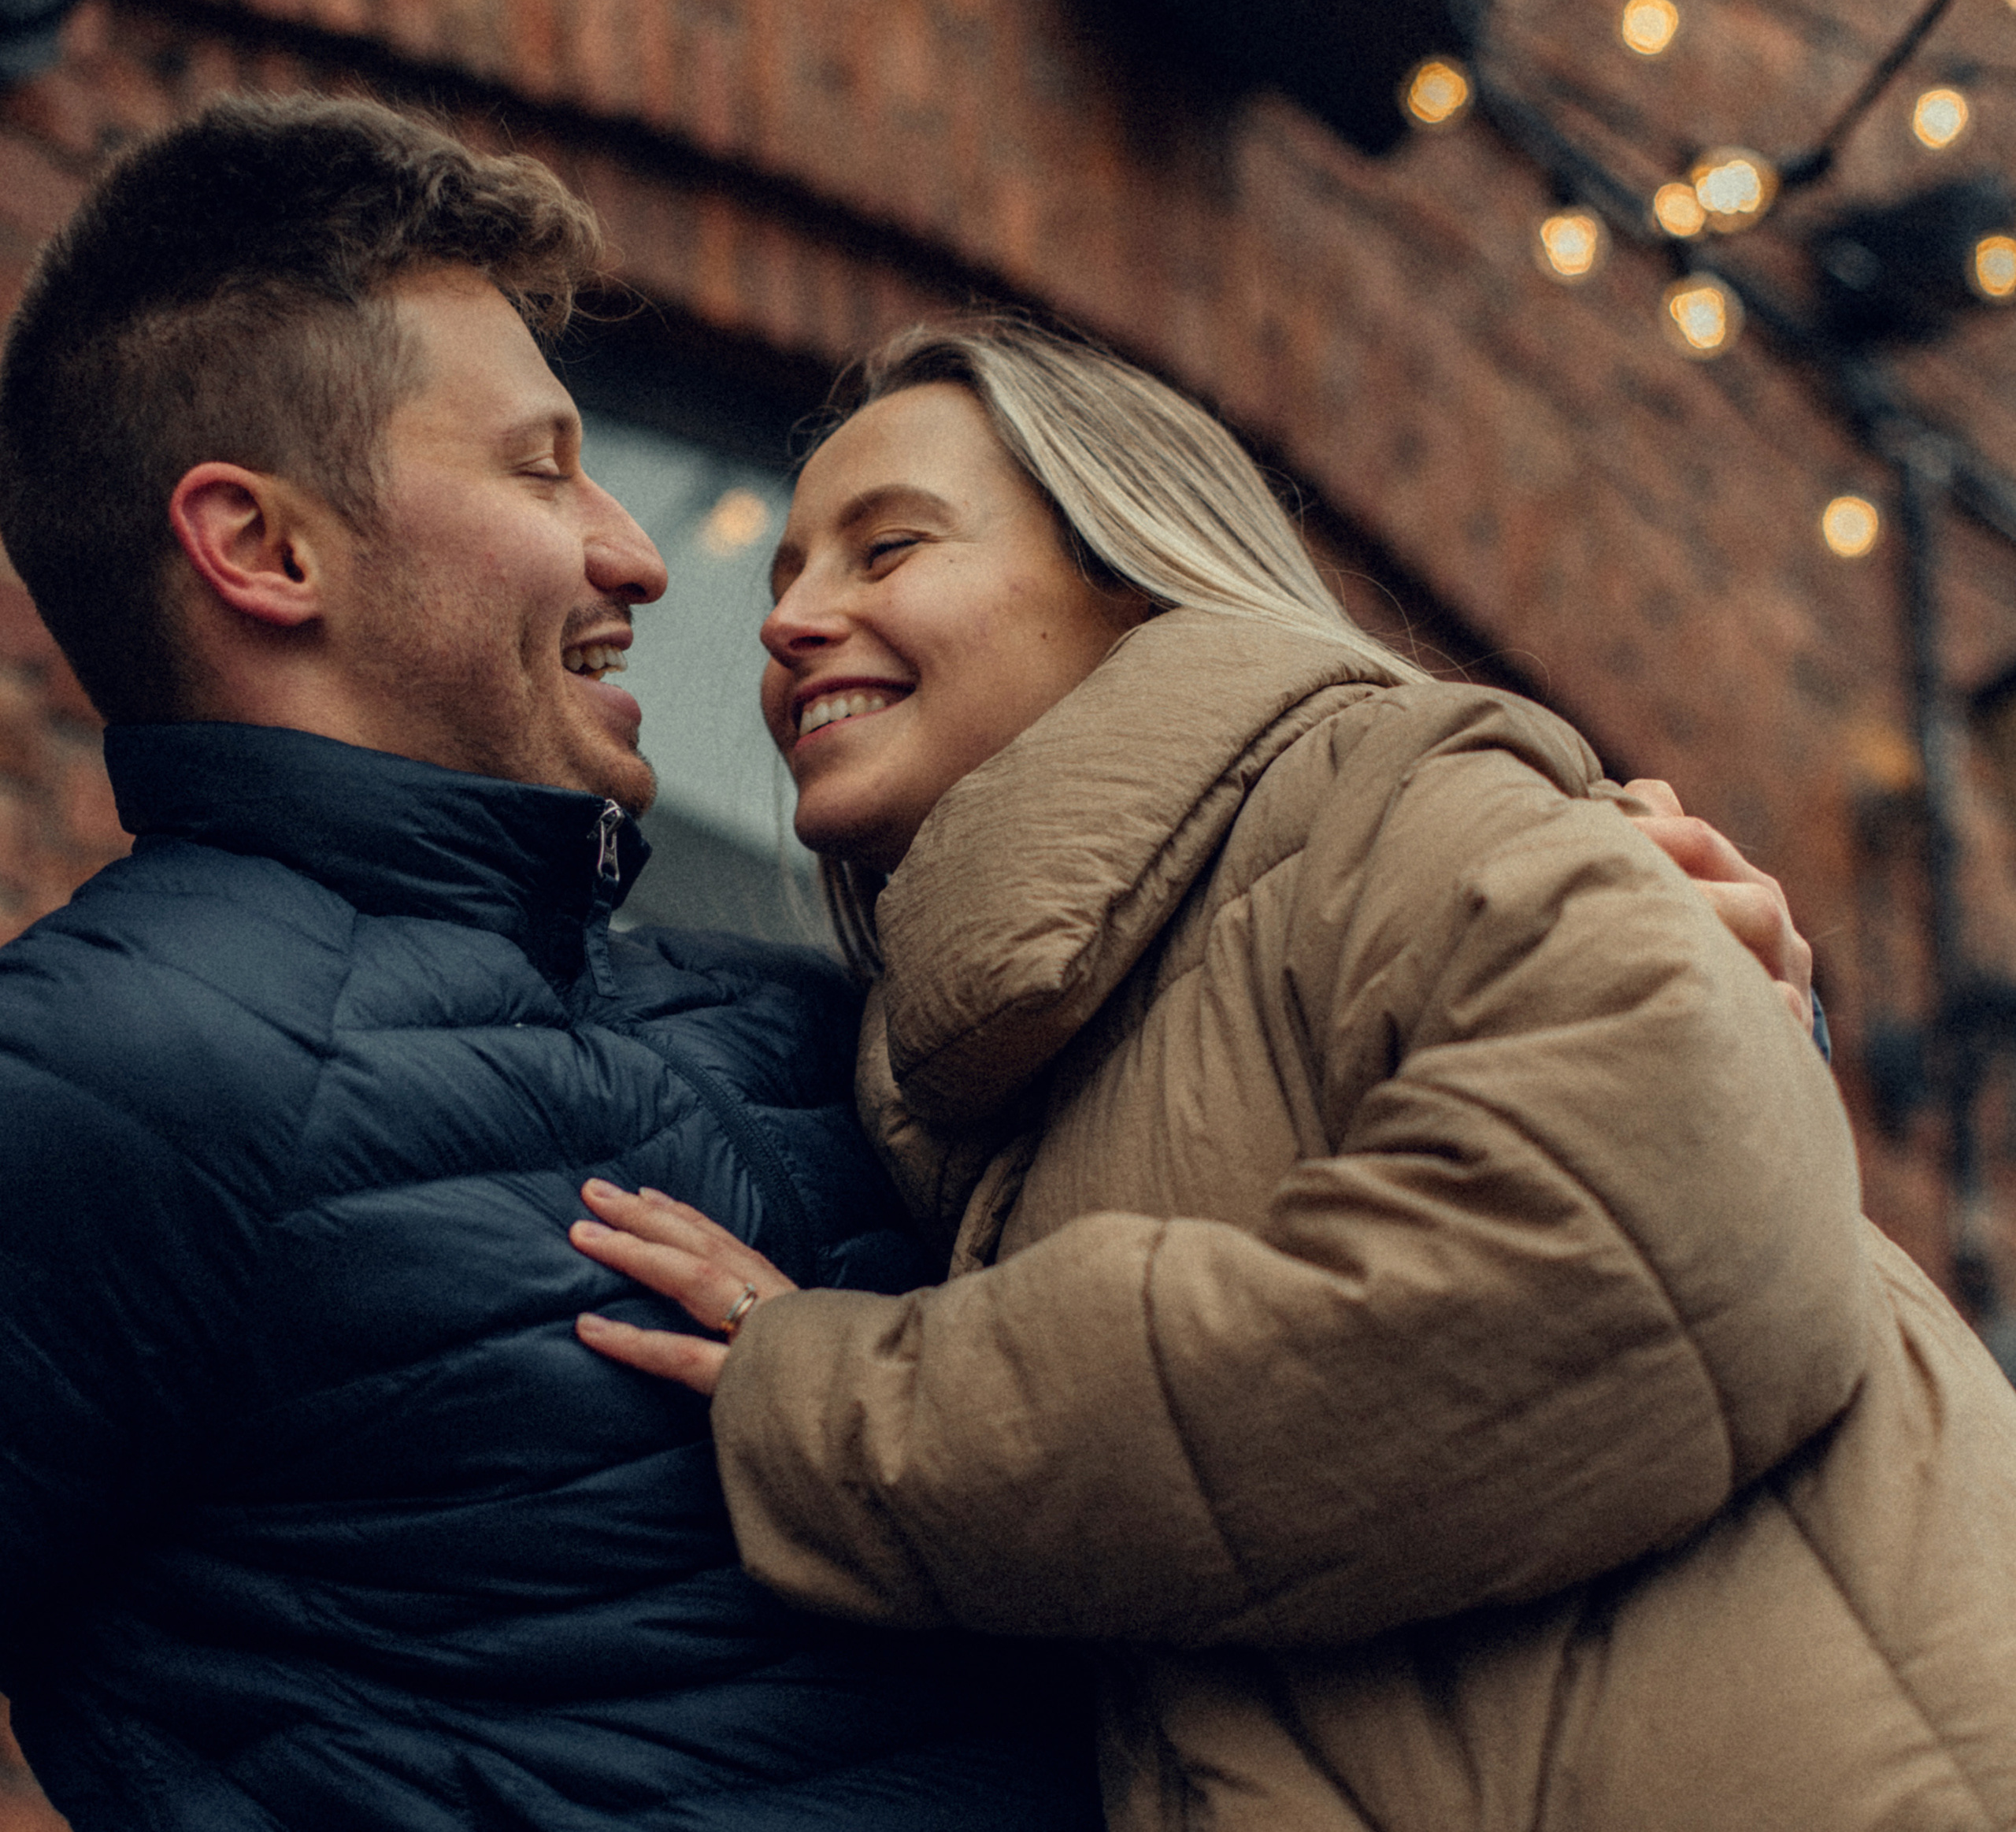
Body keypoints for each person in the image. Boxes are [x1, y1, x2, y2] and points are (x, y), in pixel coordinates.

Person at [572, 317, 2016, 1832]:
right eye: (784, 577)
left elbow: (1630, 1256)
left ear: (1133, 572)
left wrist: (847, 1413)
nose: (793, 622)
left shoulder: (1387, 796)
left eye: (889, 549)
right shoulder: (1011, 1067)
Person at [0, 102, 1102, 1832]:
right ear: (266, 550)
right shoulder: (111, 1073)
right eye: (539, 469)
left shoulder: (802, 1021)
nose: (638, 554)